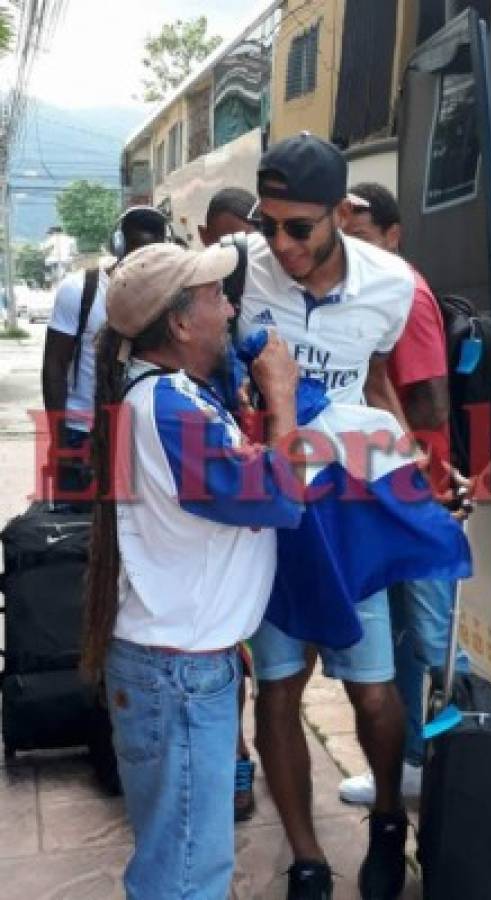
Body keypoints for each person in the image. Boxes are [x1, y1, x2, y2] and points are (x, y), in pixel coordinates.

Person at [81, 241, 303, 900]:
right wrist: (282, 398)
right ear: (179, 324)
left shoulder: (165, 397)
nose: (230, 304)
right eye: (215, 296)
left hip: (168, 665)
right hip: (177, 674)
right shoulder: (171, 410)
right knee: (185, 874)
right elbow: (279, 493)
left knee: (174, 858)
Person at [239, 133, 415, 900]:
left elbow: (376, 378)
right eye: (266, 222)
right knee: (279, 681)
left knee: (371, 689)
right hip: (271, 501)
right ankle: (307, 857)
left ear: (341, 213)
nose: (278, 243)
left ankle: (386, 820)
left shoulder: (391, 284)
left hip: (348, 505)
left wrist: (413, 470)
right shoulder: (242, 271)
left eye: (297, 227)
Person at [339, 182, 455, 804]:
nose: (351, 250)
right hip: (390, 486)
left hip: (419, 490)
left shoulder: (400, 290)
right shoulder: (371, 288)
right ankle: (415, 761)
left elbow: (432, 397)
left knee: (436, 638)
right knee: (409, 634)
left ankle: (461, 761)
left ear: (392, 235)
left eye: (360, 237)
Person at [41, 206, 169, 497]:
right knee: (76, 534)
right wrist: (59, 441)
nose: (143, 262)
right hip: (81, 433)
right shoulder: (80, 290)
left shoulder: (169, 296)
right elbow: (54, 367)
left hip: (140, 436)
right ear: (119, 245)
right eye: (136, 250)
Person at [199, 185, 257, 823]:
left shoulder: (256, 300)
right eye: (219, 239)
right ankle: (236, 760)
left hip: (266, 485)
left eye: (239, 238)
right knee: (231, 647)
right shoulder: (200, 307)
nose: (229, 251)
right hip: (232, 490)